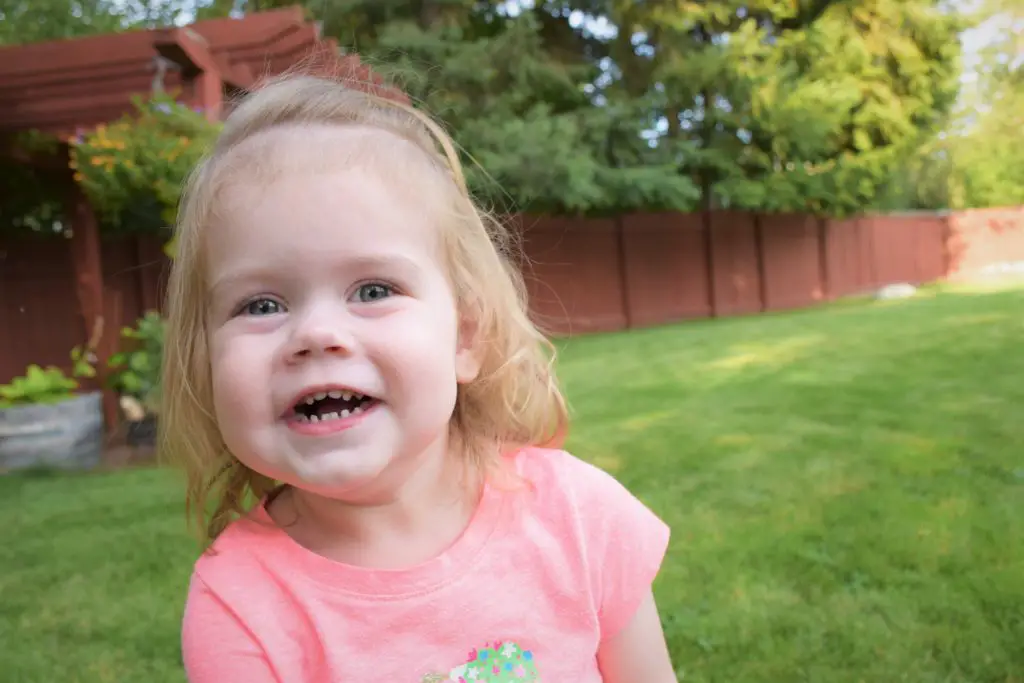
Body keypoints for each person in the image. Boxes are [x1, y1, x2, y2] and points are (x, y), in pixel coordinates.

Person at [162, 71, 676, 683]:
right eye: (262, 305)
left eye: (373, 289)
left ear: (465, 337)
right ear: (205, 360)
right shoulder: (240, 602)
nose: (315, 333)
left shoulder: (581, 517)